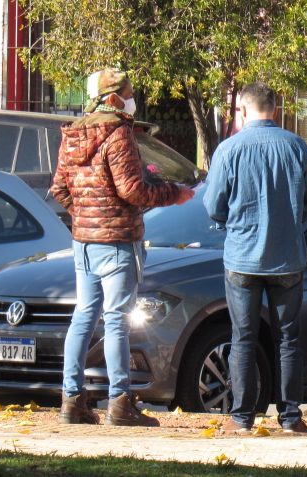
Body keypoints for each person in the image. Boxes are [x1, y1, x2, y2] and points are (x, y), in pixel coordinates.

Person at [52, 68, 195, 426]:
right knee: (116, 320)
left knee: (84, 316)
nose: (133, 100)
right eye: (129, 94)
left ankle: (71, 399)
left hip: (84, 242)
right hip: (117, 242)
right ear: (114, 99)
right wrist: (173, 194)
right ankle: (119, 401)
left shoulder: (72, 134)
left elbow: (59, 189)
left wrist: (85, 217)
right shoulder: (118, 134)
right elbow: (132, 190)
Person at [203, 82, 307, 434]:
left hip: (242, 257)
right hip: (287, 258)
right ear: (275, 109)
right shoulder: (296, 146)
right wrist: (289, 222)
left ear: (242, 110)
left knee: (243, 337)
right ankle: (291, 416)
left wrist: (232, 223)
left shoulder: (228, 149)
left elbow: (213, 205)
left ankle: (241, 417)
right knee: (288, 338)